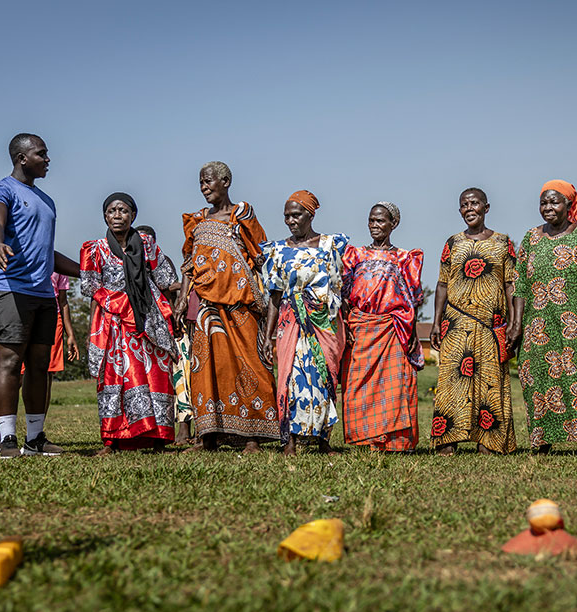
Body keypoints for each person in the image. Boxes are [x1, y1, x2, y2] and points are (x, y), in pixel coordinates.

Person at [0, 133, 80, 459]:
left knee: (39, 365)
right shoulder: (2, 190)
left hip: (43, 293)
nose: (48, 159)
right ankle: (8, 439)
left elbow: (45, 252)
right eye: (42, 154)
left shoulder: (46, 201)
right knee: (10, 361)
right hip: (10, 288)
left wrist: (86, 271)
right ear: (22, 158)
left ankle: (35, 438)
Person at [173, 162, 279, 453]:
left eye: (209, 181)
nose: (205, 187)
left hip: (240, 302)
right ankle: (208, 438)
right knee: (207, 368)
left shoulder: (241, 214)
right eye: (201, 183)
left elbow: (261, 254)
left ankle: (252, 438)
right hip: (207, 305)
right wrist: (183, 299)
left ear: (226, 181)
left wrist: (273, 293)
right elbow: (188, 264)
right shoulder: (196, 220)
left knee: (249, 364)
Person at [513, 180, 577, 456]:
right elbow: (520, 285)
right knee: (539, 378)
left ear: (569, 205)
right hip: (538, 324)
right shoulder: (530, 238)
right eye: (543, 202)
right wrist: (517, 323)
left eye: (554, 202)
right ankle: (542, 442)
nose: (548, 207)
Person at [80, 193, 178, 454]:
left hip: (148, 320)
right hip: (113, 323)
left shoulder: (146, 243)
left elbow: (165, 278)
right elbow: (90, 286)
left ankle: (159, 441)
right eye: (111, 211)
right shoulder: (94, 249)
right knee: (116, 379)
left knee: (155, 376)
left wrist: (194, 277)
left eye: (123, 210)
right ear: (105, 216)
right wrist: (115, 302)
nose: (117, 215)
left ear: (133, 215)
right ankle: (113, 441)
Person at [429, 187, 517, 455]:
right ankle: (447, 441)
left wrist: (515, 323)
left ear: (486, 208)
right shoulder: (452, 243)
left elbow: (511, 284)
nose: (469, 208)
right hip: (455, 323)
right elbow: (442, 284)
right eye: (464, 205)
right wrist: (435, 323)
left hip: (491, 324)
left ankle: (488, 441)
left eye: (475, 203)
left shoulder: (503, 243)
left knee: (490, 381)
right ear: (460, 211)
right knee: (452, 381)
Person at [260, 190, 347, 455]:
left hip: (324, 323)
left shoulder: (331, 245)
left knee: (324, 377)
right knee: (291, 378)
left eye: (296, 214)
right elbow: (274, 295)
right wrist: (268, 335)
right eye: (286, 215)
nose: (290, 220)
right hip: (291, 321)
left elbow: (341, 287)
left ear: (310, 214)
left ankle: (323, 440)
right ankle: (290, 441)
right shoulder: (278, 251)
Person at [340, 202, 424, 452]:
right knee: (357, 385)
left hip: (392, 328)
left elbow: (412, 298)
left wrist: (412, 331)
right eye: (371, 220)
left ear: (393, 224)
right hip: (361, 327)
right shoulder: (354, 254)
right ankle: (367, 439)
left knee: (396, 386)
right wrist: (346, 327)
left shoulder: (405, 258)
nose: (375, 225)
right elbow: (344, 295)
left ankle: (394, 442)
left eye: (380, 221)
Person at [0, 271, 79, 448]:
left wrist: (70, 333)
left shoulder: (54, 264)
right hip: (21, 312)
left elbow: (63, 302)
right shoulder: (20, 257)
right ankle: (0, 435)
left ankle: (35, 434)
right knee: (15, 374)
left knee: (44, 375)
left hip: (50, 318)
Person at [137, 225, 193, 444]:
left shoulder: (162, 262)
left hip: (170, 327)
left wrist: (175, 322)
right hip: (142, 329)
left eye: (149, 241)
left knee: (180, 376)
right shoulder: (129, 264)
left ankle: (184, 428)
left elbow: (171, 291)